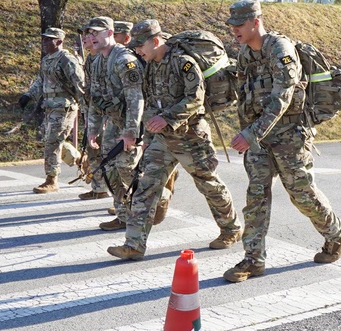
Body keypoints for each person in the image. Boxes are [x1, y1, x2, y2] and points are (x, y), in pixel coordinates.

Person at [222, 0, 341, 283]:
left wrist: (251, 133)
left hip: (290, 135)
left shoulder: (281, 50)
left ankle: (336, 234)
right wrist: (248, 132)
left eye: (240, 25)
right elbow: (245, 96)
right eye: (232, 26)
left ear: (256, 22)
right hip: (259, 138)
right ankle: (253, 259)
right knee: (256, 196)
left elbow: (283, 97)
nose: (235, 30)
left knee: (302, 194)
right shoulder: (245, 54)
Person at [107, 20, 242, 260]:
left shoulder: (184, 62)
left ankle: (231, 229)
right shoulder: (150, 66)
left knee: (208, 184)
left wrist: (167, 117)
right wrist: (148, 137)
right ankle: (134, 244)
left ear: (155, 41)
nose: (137, 50)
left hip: (191, 138)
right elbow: (151, 103)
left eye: (141, 45)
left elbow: (195, 98)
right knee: (145, 187)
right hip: (162, 140)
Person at [85, 16, 145, 230]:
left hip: (133, 123)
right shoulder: (97, 62)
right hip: (114, 121)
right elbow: (95, 98)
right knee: (108, 167)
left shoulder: (124, 60)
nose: (92, 37)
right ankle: (124, 215)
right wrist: (92, 129)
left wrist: (131, 132)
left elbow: (136, 98)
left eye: (97, 32)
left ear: (110, 33)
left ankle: (149, 204)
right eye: (90, 33)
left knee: (126, 167)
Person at [20, 27, 86, 194]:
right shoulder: (47, 60)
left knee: (52, 142)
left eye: (50, 39)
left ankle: (52, 180)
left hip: (64, 107)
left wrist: (86, 107)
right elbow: (41, 81)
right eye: (44, 39)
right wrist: (28, 95)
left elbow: (80, 83)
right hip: (49, 106)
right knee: (51, 139)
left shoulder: (67, 60)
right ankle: (81, 160)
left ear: (59, 41)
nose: (45, 42)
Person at [78, 23, 111, 200]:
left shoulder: (103, 58)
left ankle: (117, 194)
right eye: (84, 35)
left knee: (107, 152)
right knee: (94, 151)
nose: (85, 38)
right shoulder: (90, 59)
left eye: (89, 35)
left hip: (106, 114)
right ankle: (99, 188)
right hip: (93, 110)